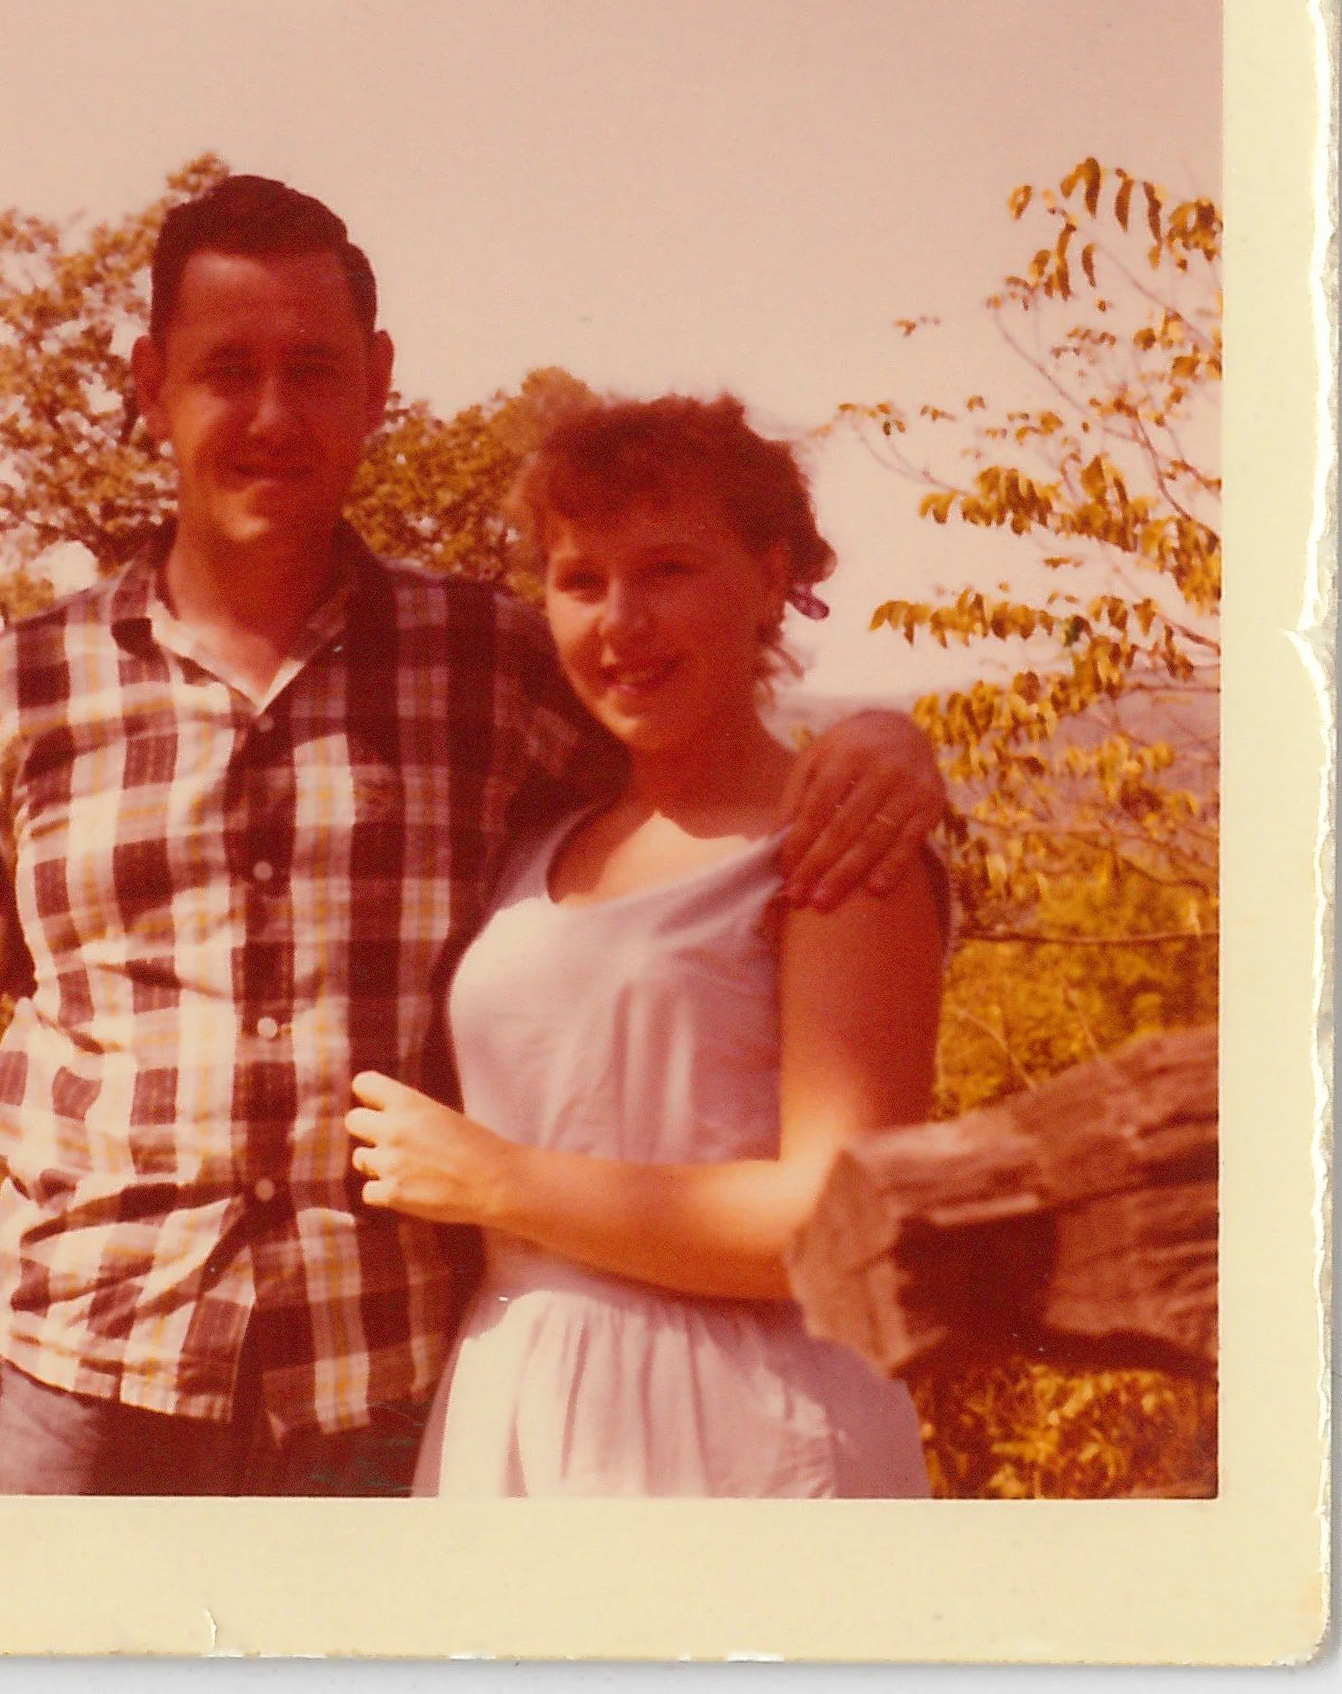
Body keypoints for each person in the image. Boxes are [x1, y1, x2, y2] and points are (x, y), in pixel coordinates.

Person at [0, 176, 946, 1496]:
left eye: (312, 369)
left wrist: (891, 745)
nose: (270, 414)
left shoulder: (496, 664)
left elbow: (725, 786)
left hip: (389, 1398)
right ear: (150, 385)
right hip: (86, 1392)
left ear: (375, 385)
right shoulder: (29, 688)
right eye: (225, 369)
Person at [345, 395, 943, 1497]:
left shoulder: (835, 847)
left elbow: (841, 1223)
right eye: (582, 581)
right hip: (518, 1399)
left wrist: (502, 1181)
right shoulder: (542, 832)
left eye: (667, 570)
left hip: (743, 1432)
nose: (622, 620)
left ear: (770, 577)